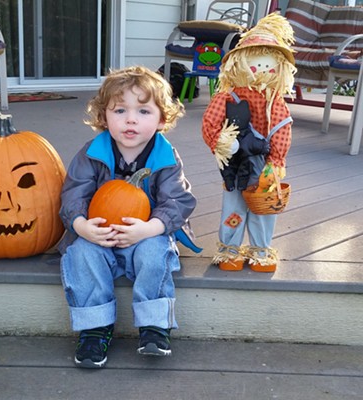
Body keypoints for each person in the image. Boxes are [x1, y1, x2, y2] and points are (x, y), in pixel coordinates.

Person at [59, 66, 197, 369]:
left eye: (144, 111)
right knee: (81, 254)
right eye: (120, 110)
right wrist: (82, 226)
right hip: (99, 234)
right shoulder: (90, 154)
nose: (131, 119)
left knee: (155, 252)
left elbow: (178, 199)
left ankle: (154, 326)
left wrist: (150, 228)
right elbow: (74, 194)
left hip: (143, 234)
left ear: (162, 119)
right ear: (103, 117)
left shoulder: (165, 157)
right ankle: (94, 328)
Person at [202, 13, 296, 273]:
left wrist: (276, 161)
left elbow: (281, 129)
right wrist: (222, 142)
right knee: (233, 205)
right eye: (255, 64)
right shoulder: (227, 95)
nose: (262, 71)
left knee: (263, 210)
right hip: (233, 162)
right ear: (239, 63)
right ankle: (230, 249)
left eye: (269, 66)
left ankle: (261, 251)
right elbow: (211, 122)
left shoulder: (274, 101)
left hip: (264, 167)